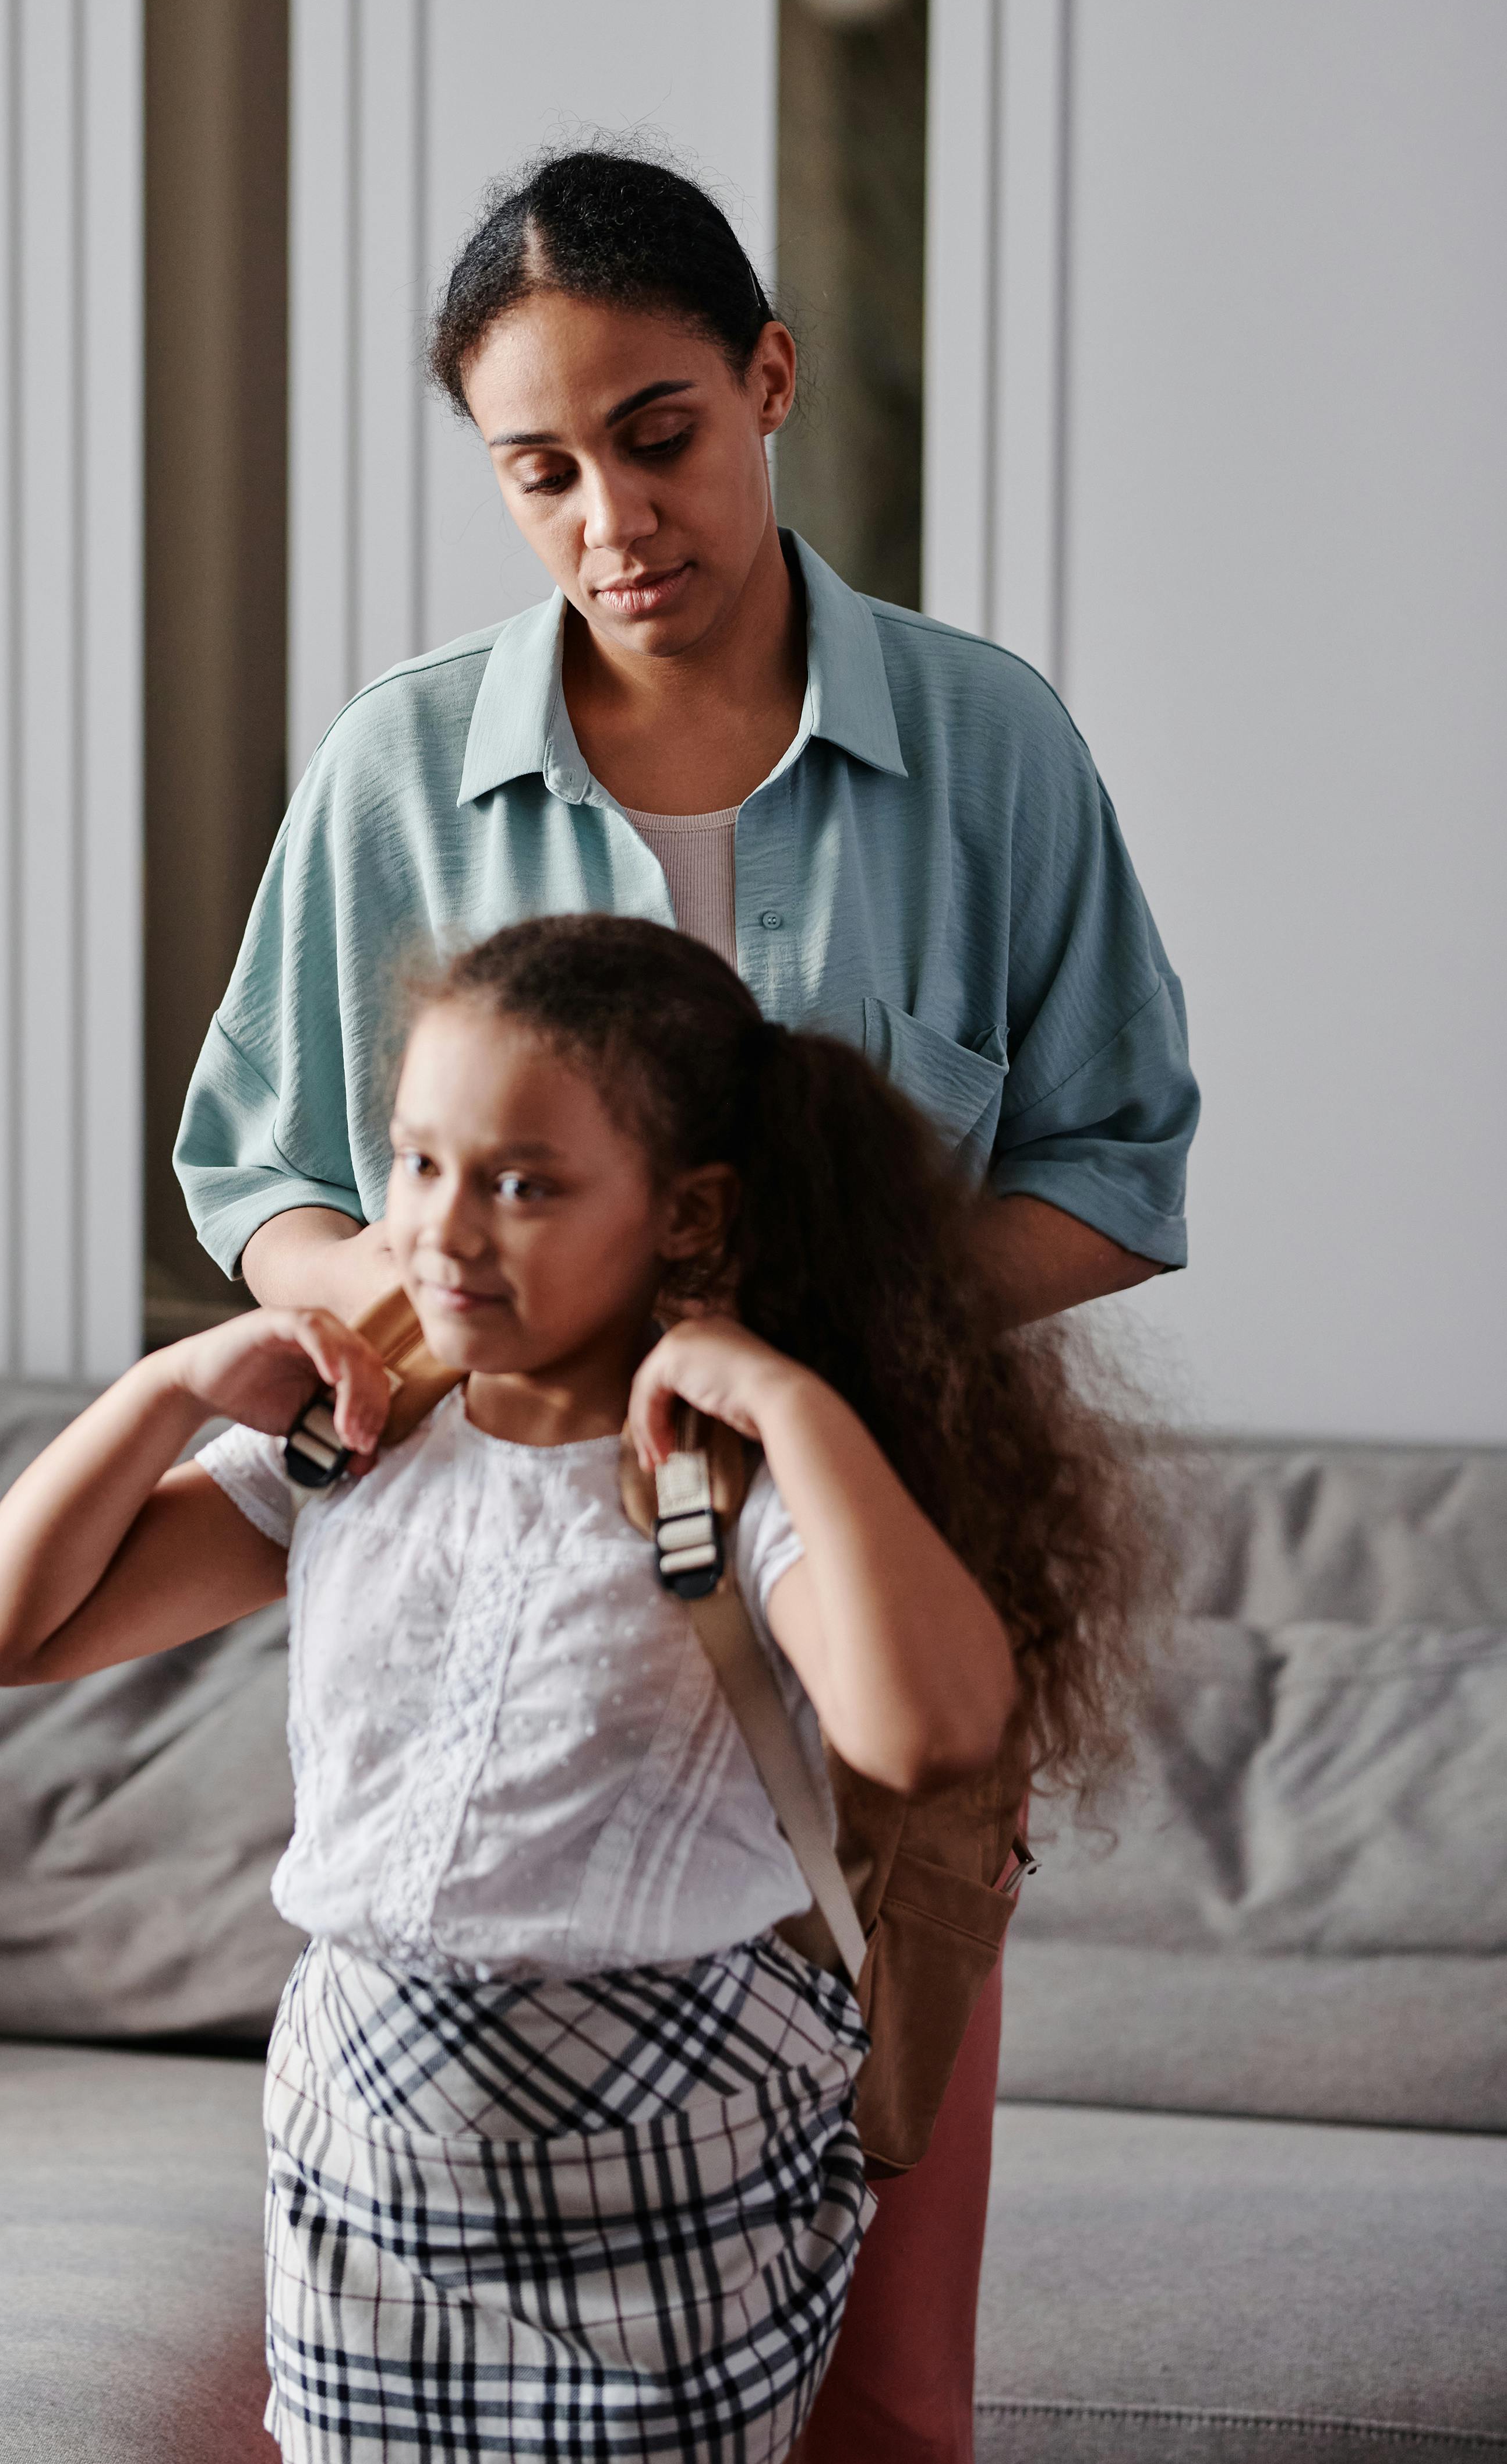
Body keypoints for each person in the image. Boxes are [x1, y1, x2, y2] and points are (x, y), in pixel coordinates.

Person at [174, 147, 1197, 2462]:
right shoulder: (394, 771)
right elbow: (255, 1163)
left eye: (655, 432)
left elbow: (1114, 1171)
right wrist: (393, 1292)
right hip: (510, 1678)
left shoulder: (988, 749)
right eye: (537, 469)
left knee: (884, 2387)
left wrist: (783, 1344)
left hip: (862, 1594)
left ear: (764, 382)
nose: (609, 515)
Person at [0, 918, 1162, 2464]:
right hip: (363, 2165)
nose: (448, 1232)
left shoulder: (717, 1479)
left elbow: (926, 1727)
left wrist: (789, 1403)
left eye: (521, 1182)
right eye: (419, 1163)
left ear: (685, 1210)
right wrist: (168, 1386)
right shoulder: (354, 1443)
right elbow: (3, 1634)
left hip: (664, 2180)